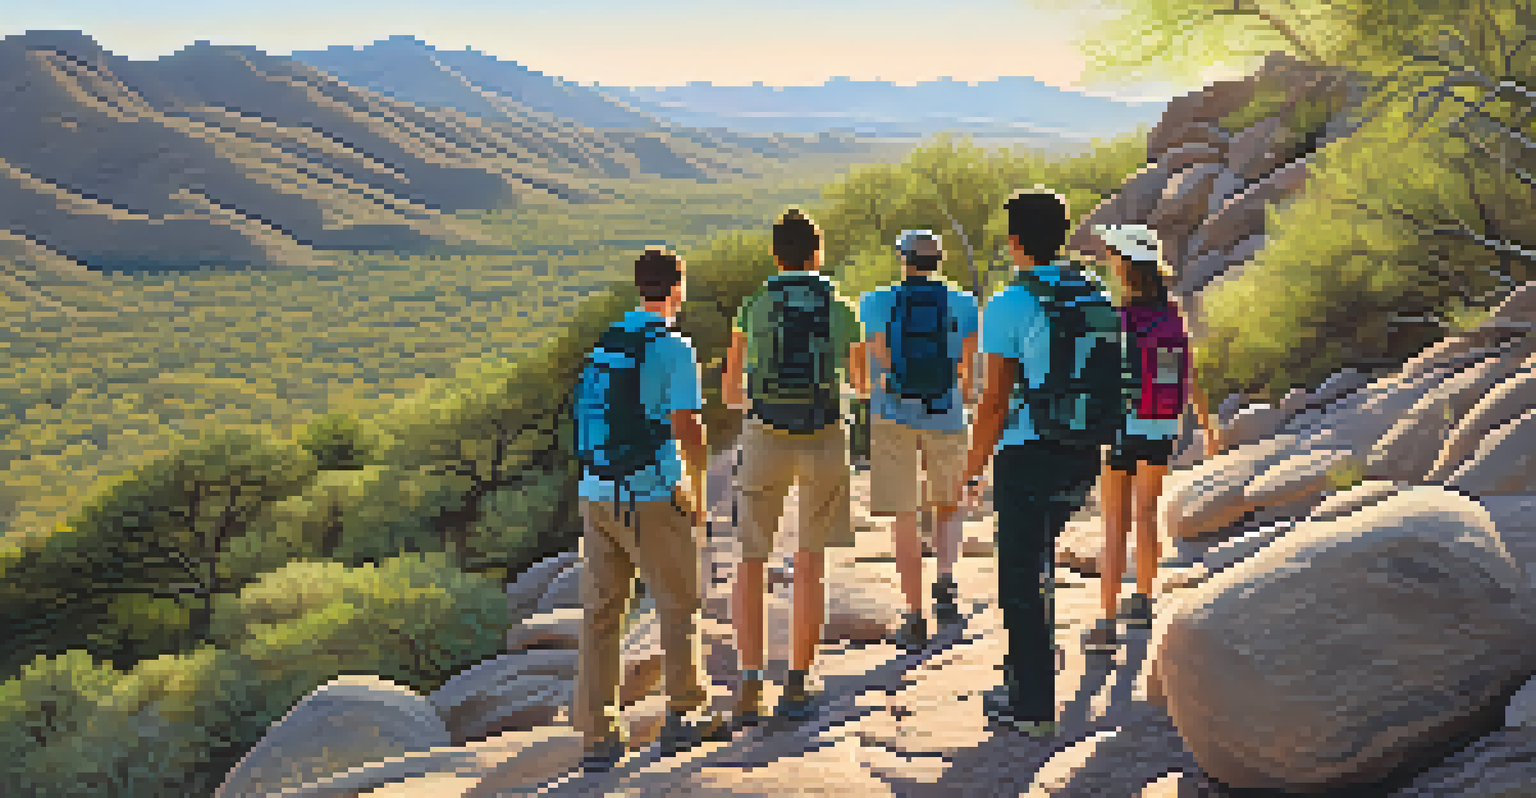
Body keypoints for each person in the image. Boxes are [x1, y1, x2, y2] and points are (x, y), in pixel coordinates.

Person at [956, 189, 1124, 738]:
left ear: (1014, 242)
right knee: (1041, 565)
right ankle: (1027, 676)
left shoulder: (1011, 302)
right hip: (1084, 450)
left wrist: (973, 465)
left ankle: (1031, 705)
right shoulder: (1093, 290)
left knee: (1022, 578)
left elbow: (996, 400)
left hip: (1030, 452)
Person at [572, 248, 722, 772]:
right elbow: (689, 428)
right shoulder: (673, 347)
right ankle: (686, 711)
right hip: (650, 494)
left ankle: (597, 736)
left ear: (640, 287)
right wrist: (698, 490)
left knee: (601, 614)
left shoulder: (608, 341)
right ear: (677, 288)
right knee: (678, 603)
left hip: (596, 493)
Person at [721, 209, 864, 727]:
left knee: (751, 560)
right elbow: (863, 384)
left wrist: (761, 404)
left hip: (764, 437)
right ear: (817, 253)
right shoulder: (840, 305)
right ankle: (798, 685)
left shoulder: (752, 306)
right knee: (809, 562)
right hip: (825, 438)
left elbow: (730, 391)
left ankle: (750, 684)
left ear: (774, 254)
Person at [1085, 224, 1213, 653]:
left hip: (1120, 426)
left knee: (1115, 523)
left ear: (1125, 266)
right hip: (1160, 424)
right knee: (1146, 514)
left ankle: (1105, 623)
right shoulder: (1172, 313)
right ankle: (1141, 601)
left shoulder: (1114, 316)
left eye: (1112, 257)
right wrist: (1207, 426)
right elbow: (1188, 372)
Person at [857, 230, 978, 651]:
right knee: (948, 502)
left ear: (902, 259)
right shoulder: (963, 303)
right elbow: (967, 366)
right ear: (940, 260)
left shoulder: (874, 302)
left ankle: (913, 615)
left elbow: (877, 355)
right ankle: (945, 584)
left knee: (904, 515)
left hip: (892, 415)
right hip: (947, 414)